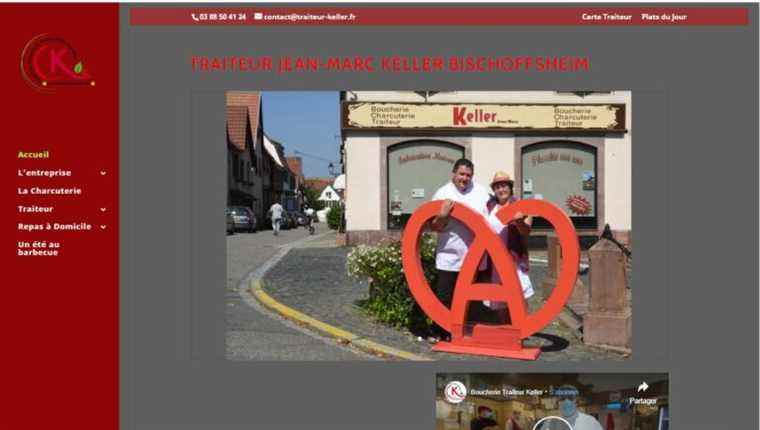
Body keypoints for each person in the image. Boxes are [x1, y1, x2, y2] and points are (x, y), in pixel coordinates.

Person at [429, 158, 491, 342]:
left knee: (469, 298)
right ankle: (440, 331)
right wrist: (442, 216)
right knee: (445, 295)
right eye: (461, 174)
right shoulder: (442, 193)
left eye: (468, 175)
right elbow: (435, 226)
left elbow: (491, 220)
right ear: (453, 174)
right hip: (448, 255)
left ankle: (462, 331)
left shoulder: (481, 192)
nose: (464, 178)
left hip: (474, 257)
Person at [483, 172, 534, 324]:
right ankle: (505, 330)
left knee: (519, 295)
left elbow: (527, 231)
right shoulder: (489, 206)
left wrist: (519, 222)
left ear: (510, 187)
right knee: (499, 299)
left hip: (515, 258)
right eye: (497, 186)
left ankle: (521, 329)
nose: (501, 189)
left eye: (504, 185)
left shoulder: (521, 206)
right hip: (495, 261)